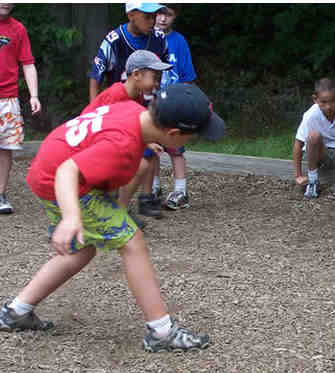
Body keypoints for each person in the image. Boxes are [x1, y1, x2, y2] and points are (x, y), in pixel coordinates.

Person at [0, 83, 226, 353]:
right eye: (192, 137)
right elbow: (67, 171)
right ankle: (162, 332)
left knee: (80, 251)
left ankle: (16, 311)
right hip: (62, 180)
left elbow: (98, 113)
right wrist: (71, 217)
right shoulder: (121, 144)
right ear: (174, 134)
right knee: (132, 241)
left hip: (47, 168)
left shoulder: (130, 108)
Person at [89, 1, 169, 219]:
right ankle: (112, 200)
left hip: (148, 102)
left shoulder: (159, 38)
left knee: (149, 151)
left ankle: (146, 197)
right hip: (120, 106)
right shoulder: (115, 40)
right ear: (131, 14)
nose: (152, 21)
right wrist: (95, 113)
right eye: (147, 16)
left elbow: (163, 70)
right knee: (120, 155)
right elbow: (96, 75)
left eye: (155, 16)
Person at [152, 3, 198, 211]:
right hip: (152, 103)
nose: (163, 18)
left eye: (168, 14)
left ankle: (181, 191)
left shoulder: (179, 41)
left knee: (175, 148)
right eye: (159, 13)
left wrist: (186, 101)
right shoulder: (147, 38)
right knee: (151, 149)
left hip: (174, 104)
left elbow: (187, 76)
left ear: (175, 16)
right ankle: (153, 187)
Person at [0, 2, 40, 214]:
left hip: (8, 99)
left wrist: (34, 95)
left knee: (6, 148)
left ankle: (0, 194)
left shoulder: (18, 29)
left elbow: (27, 63)